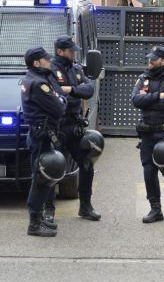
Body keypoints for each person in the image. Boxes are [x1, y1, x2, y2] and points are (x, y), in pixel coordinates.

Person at [43, 35, 101, 224]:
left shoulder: (76, 69)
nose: (74, 53)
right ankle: (48, 209)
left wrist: (71, 89)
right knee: (53, 167)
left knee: (86, 164)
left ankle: (85, 206)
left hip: (74, 126)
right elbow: (54, 92)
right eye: (71, 50)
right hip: (56, 126)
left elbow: (89, 89)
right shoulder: (49, 70)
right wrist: (70, 89)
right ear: (60, 51)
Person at [131, 46, 164, 224]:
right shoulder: (144, 77)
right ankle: (155, 209)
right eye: (150, 59)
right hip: (147, 132)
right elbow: (135, 100)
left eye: (153, 59)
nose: (150, 62)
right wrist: (157, 97)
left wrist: (148, 100)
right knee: (148, 171)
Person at [21, 46, 67, 237]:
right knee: (40, 179)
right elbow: (59, 107)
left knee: (43, 178)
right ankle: (34, 224)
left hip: (40, 135)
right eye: (46, 59)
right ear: (36, 63)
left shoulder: (34, 79)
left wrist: (59, 98)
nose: (50, 61)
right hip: (42, 137)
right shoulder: (39, 84)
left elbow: (59, 98)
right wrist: (60, 100)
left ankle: (39, 219)